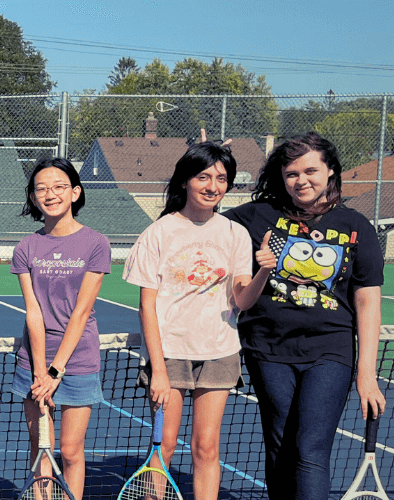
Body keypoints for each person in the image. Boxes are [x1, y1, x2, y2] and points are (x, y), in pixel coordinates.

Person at [223, 132, 386, 500]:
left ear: (330, 171)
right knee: (280, 446)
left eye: (311, 170)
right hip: (267, 350)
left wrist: (367, 374)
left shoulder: (357, 227)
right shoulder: (256, 216)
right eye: (291, 173)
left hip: (331, 352)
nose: (301, 180)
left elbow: (368, 303)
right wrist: (212, 159)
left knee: (310, 450)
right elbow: (197, 218)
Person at [123, 141, 260, 500]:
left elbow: (241, 299)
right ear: (185, 180)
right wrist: (159, 368)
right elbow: (146, 307)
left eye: (221, 178)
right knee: (163, 446)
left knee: (206, 447)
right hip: (169, 353)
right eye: (203, 176)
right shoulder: (159, 233)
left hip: (219, 351)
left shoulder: (236, 234)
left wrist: (264, 274)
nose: (212, 186)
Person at [10, 157, 109, 500]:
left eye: (58, 186)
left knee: (69, 450)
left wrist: (55, 370)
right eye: (41, 189)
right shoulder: (25, 248)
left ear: (75, 192)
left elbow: (81, 313)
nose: (50, 194)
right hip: (33, 362)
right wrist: (40, 369)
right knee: (42, 449)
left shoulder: (96, 243)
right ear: (34, 198)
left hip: (78, 360)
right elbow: (33, 311)